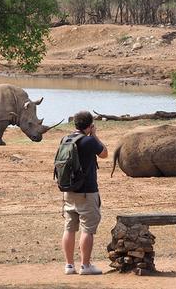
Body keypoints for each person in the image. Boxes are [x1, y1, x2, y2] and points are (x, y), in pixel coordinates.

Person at [61, 111, 108, 275]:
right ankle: (85, 266)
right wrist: (94, 135)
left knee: (69, 228)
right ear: (89, 125)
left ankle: (69, 265)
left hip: (68, 191)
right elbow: (104, 153)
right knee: (87, 229)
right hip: (87, 192)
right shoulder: (89, 141)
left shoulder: (66, 139)